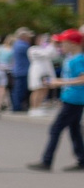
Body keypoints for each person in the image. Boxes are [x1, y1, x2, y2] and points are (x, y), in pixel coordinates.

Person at [26, 28, 84, 171]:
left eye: (63, 43)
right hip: (72, 99)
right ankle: (82, 159)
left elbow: (83, 79)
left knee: (56, 129)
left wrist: (60, 82)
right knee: (74, 130)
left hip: (74, 100)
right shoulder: (71, 58)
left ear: (73, 44)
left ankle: (47, 160)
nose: (60, 46)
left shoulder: (79, 59)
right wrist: (59, 81)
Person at [7, 30, 34, 115]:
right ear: (24, 37)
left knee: (18, 90)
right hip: (23, 71)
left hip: (19, 70)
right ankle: (17, 107)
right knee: (20, 90)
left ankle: (17, 106)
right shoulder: (23, 45)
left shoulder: (16, 44)